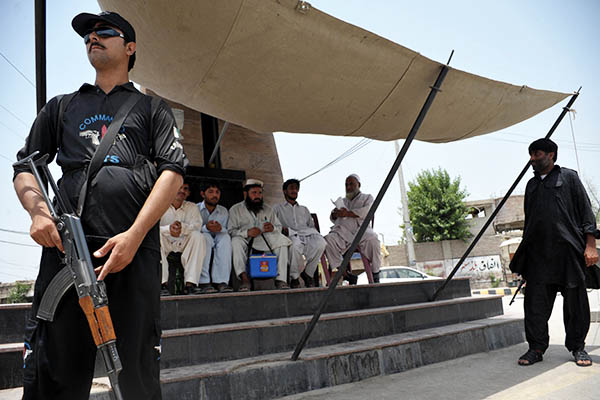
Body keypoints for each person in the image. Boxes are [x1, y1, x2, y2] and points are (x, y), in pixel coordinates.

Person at [12, 11, 187, 400]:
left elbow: (172, 172)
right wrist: (38, 214)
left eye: (105, 32)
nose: (94, 37)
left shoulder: (152, 109)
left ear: (130, 47)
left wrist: (134, 237)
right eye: (88, 35)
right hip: (66, 252)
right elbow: (26, 167)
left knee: (138, 370)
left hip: (133, 251)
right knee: (55, 368)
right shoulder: (61, 106)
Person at [510, 138, 598, 367]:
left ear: (551, 155)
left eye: (537, 154)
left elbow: (586, 214)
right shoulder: (531, 185)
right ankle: (536, 348)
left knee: (575, 305)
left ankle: (578, 348)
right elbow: (529, 224)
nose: (532, 159)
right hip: (539, 257)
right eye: (530, 154)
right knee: (535, 305)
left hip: (569, 254)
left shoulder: (569, 178)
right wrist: (525, 259)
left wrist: (590, 246)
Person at [229, 179, 292, 291]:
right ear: (246, 194)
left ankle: (281, 280)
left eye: (260, 193)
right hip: (246, 240)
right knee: (235, 242)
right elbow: (231, 231)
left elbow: (278, 227)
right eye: (254, 193)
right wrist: (247, 232)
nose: (257, 196)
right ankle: (244, 279)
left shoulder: (268, 209)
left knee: (282, 241)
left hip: (266, 240)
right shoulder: (235, 209)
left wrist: (272, 228)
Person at [324, 174, 382, 284]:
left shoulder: (367, 197)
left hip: (361, 232)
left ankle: (375, 274)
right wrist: (335, 214)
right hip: (343, 233)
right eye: (346, 185)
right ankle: (345, 273)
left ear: (358, 185)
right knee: (327, 240)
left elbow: (367, 211)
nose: (348, 187)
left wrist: (348, 213)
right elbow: (332, 217)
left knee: (374, 239)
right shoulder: (343, 201)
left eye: (351, 184)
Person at [274, 179, 326, 288]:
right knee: (294, 245)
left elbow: (311, 226)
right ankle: (295, 278)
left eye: (296, 188)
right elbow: (275, 226)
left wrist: (314, 235)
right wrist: (283, 230)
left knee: (321, 243)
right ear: (284, 191)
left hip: (306, 235)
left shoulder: (304, 209)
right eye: (291, 188)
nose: (294, 190)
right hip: (290, 236)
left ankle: (308, 273)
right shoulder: (277, 208)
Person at [160, 182, 206, 295]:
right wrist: (168, 229)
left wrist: (182, 228)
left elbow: (197, 226)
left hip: (183, 243)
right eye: (178, 188)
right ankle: (162, 284)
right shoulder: (160, 204)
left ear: (188, 193)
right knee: (153, 237)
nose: (182, 191)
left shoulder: (192, 207)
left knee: (199, 237)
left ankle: (190, 284)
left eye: (185, 189)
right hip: (165, 241)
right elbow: (151, 227)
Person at [197, 181, 233, 293]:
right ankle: (204, 282)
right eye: (211, 192)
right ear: (203, 194)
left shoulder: (223, 210)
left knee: (226, 238)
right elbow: (192, 228)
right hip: (203, 238)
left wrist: (219, 228)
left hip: (218, 238)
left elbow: (228, 229)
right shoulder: (196, 208)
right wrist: (206, 228)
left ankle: (221, 282)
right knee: (205, 238)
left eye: (217, 192)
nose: (215, 195)